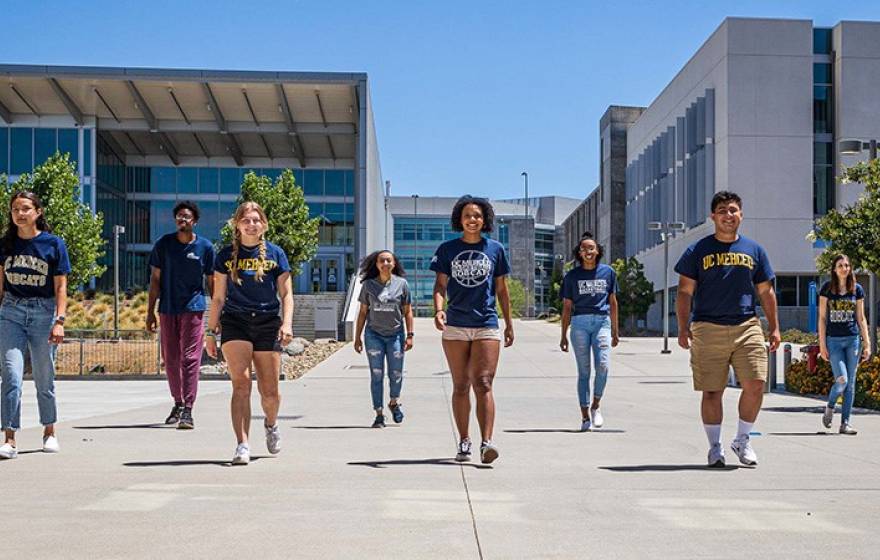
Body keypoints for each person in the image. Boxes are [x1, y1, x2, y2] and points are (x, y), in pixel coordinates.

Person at [675, 191, 780, 468]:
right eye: (722, 210)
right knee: (712, 392)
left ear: (741, 215)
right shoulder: (698, 250)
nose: (728, 214)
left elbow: (766, 292)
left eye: (733, 210)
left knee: (756, 385)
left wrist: (775, 328)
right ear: (713, 217)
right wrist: (683, 328)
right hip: (707, 326)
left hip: (747, 325)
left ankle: (742, 440)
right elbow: (685, 292)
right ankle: (715, 447)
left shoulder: (754, 250)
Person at [205, 202, 294, 465]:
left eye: (256, 220)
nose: (251, 224)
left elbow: (287, 294)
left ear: (263, 225)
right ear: (237, 224)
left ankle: (271, 423)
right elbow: (218, 297)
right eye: (246, 219)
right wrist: (210, 332)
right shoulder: (224, 256)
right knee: (241, 384)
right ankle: (242, 444)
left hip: (267, 322)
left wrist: (286, 324)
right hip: (236, 322)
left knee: (270, 392)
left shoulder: (276, 254)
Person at [431, 195, 513, 465]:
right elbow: (441, 286)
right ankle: (464, 440)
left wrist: (509, 323)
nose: (472, 220)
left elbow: (502, 289)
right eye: (467, 215)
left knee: (484, 383)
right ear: (459, 219)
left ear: (484, 219)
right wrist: (439, 309)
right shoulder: (447, 250)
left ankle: (486, 442)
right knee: (461, 385)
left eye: (477, 215)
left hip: (486, 323)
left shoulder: (495, 249)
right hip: (455, 324)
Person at [0, 192, 70, 460]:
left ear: (38, 212)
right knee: (11, 376)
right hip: (11, 312)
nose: (20, 213)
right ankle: (9, 438)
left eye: (26, 208)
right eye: (15, 209)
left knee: (44, 378)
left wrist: (59, 321)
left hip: (43, 313)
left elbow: (61, 286)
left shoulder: (53, 244)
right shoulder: (6, 245)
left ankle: (49, 431)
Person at [146, 201, 215, 429]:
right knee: (171, 360)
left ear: (194, 221)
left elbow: (211, 281)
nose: (182, 220)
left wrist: (217, 312)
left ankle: (188, 408)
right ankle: (178, 402)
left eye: (186, 216)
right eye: (178, 216)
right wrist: (150, 312)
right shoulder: (164, 245)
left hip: (193, 308)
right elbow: (155, 280)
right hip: (167, 308)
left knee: (190, 358)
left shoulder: (205, 247)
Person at [559, 232, 620, 431]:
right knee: (584, 371)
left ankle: (596, 405)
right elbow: (567, 306)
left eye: (591, 248)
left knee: (603, 366)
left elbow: (613, 302)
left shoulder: (608, 273)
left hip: (602, 322)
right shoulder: (572, 276)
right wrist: (563, 335)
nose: (588, 251)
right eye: (584, 248)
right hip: (579, 324)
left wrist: (615, 330)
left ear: (598, 251)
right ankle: (585, 415)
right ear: (579, 252)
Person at [353, 250, 414, 428]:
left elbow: (408, 311)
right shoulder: (368, 285)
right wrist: (357, 338)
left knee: (396, 374)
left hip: (395, 334)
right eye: (382, 261)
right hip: (374, 335)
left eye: (389, 260)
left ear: (394, 264)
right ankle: (379, 413)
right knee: (376, 374)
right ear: (377, 264)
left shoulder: (402, 284)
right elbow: (363, 312)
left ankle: (393, 402)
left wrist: (410, 335)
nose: (385, 263)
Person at [818, 254, 870, 435]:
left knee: (850, 384)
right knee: (842, 380)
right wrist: (822, 344)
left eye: (847, 265)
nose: (844, 268)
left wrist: (867, 343)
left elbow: (861, 318)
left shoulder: (857, 290)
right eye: (840, 265)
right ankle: (830, 406)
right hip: (834, 342)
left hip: (853, 340)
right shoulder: (827, 289)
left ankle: (845, 423)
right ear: (834, 269)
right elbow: (822, 318)